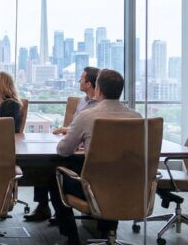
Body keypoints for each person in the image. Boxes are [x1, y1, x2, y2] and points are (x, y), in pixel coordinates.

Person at [49, 69, 141, 245]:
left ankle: (72, 238)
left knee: (55, 178)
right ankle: (108, 233)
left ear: (98, 90)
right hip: (131, 187)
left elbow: (63, 150)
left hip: (94, 189)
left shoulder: (87, 116)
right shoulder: (136, 117)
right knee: (113, 177)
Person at [26, 66, 100, 222]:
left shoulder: (98, 107)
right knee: (46, 162)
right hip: (76, 141)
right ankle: (43, 206)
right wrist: (67, 130)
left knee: (51, 167)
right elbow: (76, 127)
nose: (79, 80)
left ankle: (62, 220)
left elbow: (86, 132)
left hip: (87, 155)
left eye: (82, 78)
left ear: (89, 83)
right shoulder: (82, 102)